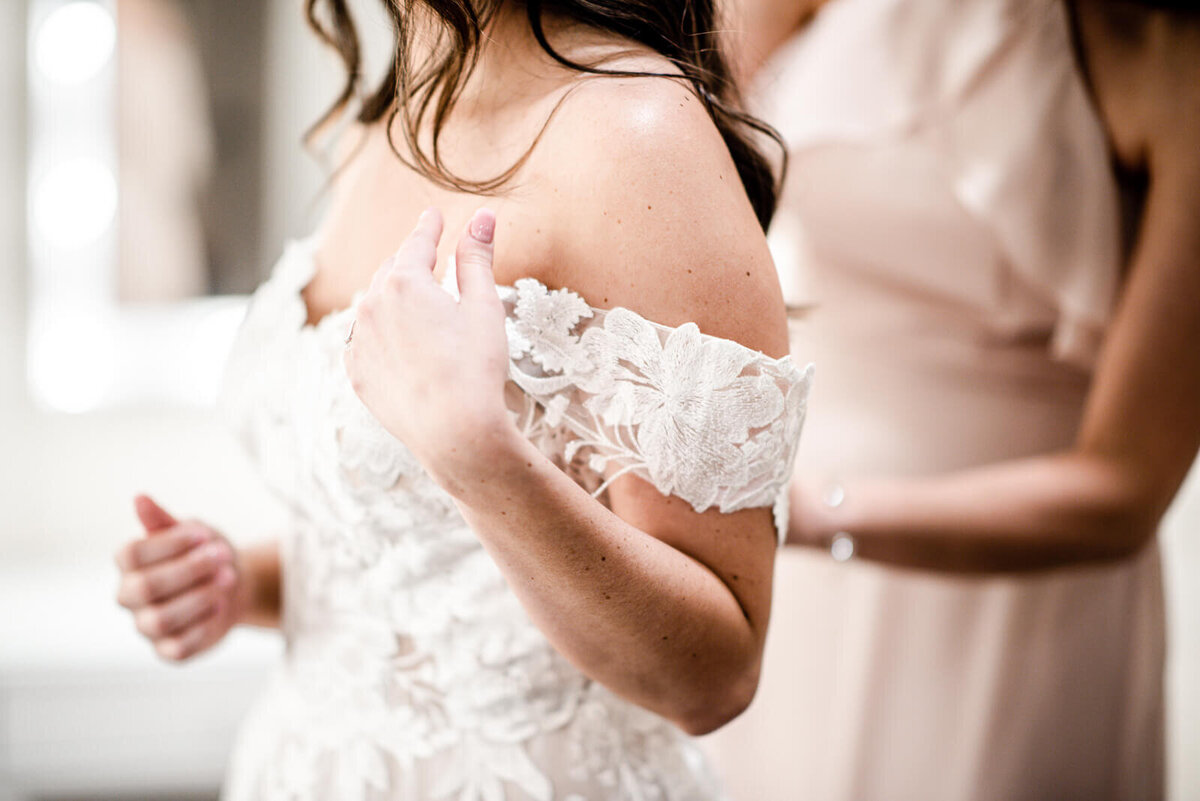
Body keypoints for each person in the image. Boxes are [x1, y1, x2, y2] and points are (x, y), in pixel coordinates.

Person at [113, 1, 812, 799]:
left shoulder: (634, 133)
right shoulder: (378, 125)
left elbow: (714, 676)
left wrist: (480, 460)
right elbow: (415, 558)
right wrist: (244, 579)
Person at [702, 0, 1200, 799]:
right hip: (777, 517)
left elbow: (1124, 490)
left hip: (1008, 584)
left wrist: (812, 512)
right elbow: (688, 158)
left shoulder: (1170, 57)